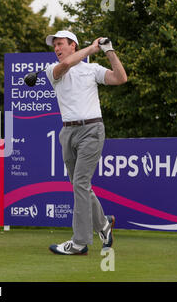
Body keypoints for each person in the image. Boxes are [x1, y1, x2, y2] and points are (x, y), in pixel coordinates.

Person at [44, 30, 127, 255]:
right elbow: (67, 65)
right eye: (55, 46)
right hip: (67, 132)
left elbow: (120, 78)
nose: (57, 49)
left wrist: (109, 52)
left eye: (60, 44)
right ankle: (103, 224)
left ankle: (80, 243)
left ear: (73, 45)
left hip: (91, 129)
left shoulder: (92, 70)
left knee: (80, 182)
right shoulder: (52, 70)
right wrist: (92, 48)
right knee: (80, 185)